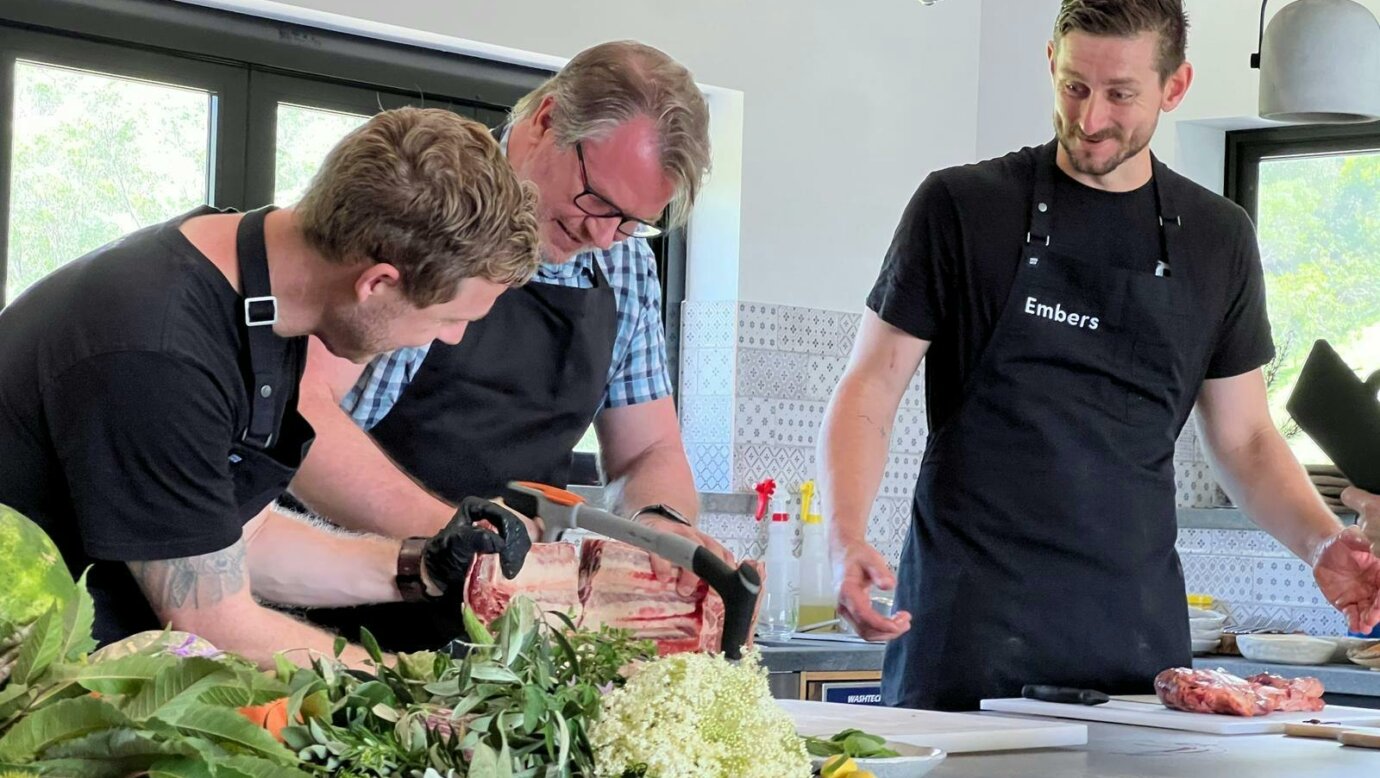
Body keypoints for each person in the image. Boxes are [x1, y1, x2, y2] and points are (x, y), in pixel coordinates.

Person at [817, 0, 1380, 711]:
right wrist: (845, 538)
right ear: (1051, 61)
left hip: (1133, 645)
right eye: (1075, 86)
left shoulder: (1218, 238)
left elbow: (1245, 439)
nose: (1089, 120)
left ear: (1175, 88)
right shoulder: (961, 207)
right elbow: (870, 388)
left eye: (1120, 95)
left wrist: (1321, 544)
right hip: (967, 634)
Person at [0, 107, 542, 669]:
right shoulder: (157, 349)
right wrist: (423, 686)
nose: (451, 340)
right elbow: (214, 622)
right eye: (448, 318)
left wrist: (423, 566)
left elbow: (237, 543)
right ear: (377, 283)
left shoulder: (263, 300)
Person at [288, 41, 729, 651]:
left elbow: (648, 448)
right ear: (546, 120)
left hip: (503, 634)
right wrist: (457, 538)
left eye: (631, 220)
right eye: (597, 199)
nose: (601, 235)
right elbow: (304, 420)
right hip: (336, 606)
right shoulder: (422, 201)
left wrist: (660, 529)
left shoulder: (624, 266)